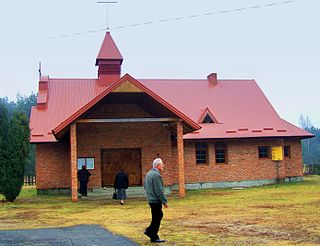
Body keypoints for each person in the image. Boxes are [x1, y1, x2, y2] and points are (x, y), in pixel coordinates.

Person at [144, 158, 168, 243]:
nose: (163, 166)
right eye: (162, 164)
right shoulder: (156, 175)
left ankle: (150, 232)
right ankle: (152, 235)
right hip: (155, 200)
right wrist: (164, 201)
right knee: (157, 217)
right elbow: (159, 190)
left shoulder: (148, 174)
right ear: (158, 165)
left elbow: (145, 187)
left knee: (157, 216)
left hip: (151, 199)